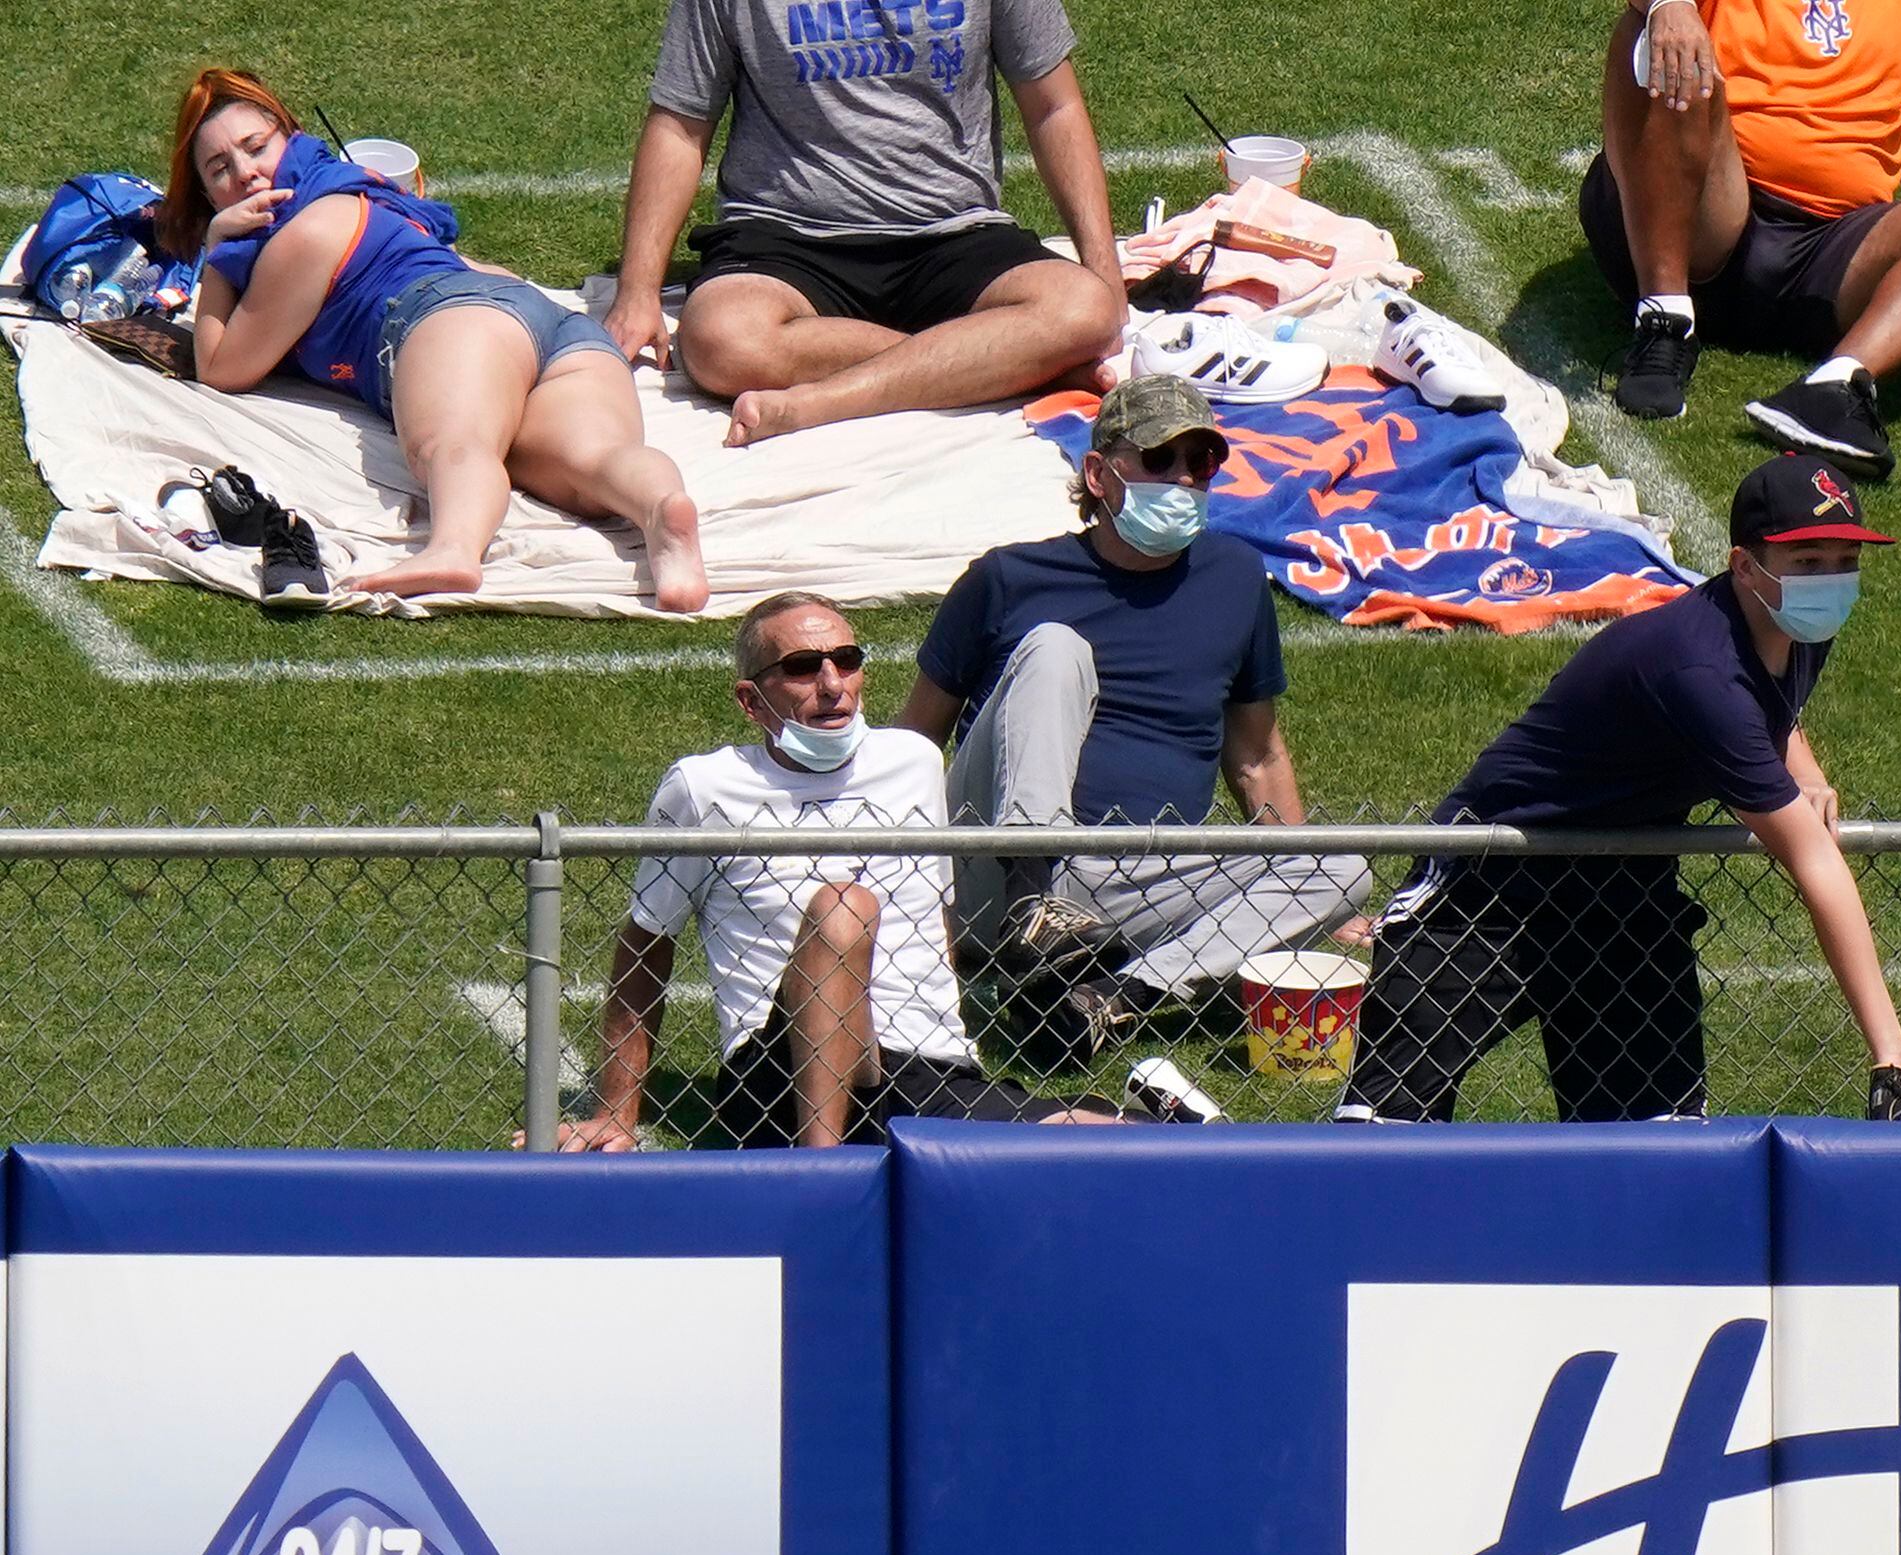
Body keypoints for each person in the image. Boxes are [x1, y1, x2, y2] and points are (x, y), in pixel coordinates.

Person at [1337, 453, 1901, 1121]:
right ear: (1744, 565)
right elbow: (1809, 857)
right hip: (1496, 880)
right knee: (1384, 1131)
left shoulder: (1794, 627)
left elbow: (1773, 708)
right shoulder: (1697, 668)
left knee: (1661, 1146)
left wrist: (1806, 772)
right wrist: (1891, 1048)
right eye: (1807, 563)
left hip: (1625, 884)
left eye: (1842, 561)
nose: (1830, 581)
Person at [897, 375, 1373, 1061]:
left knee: (1341, 866)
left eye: (1201, 462)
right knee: (1055, 647)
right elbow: (913, 744)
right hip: (992, 870)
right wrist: (903, 902)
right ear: (1098, 473)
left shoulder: (1235, 578)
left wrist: (1301, 885)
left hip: (1138, 880)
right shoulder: (1008, 578)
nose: (1182, 479)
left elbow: (1257, 758)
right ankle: (1034, 913)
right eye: (1159, 460)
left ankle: (1107, 1000)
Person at [559, 593, 1088, 1150]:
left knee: (1099, 1138)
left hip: (924, 1065)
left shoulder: (914, 762)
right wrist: (616, 1114)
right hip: (779, 1073)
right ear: (751, 701)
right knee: (843, 909)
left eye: (847, 660)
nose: (832, 684)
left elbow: (933, 921)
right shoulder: (704, 787)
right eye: (802, 668)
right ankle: (821, 1170)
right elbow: (646, 945)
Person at [166, 69, 705, 609]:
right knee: (593, 463)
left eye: (255, 147)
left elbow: (221, 366)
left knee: (451, 446)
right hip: (554, 327)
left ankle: (453, 549)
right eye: (220, 170)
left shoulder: (303, 235)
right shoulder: (371, 195)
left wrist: (218, 252)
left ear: (290, 137)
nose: (246, 174)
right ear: (207, 195)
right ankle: (662, 509)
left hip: (454, 321)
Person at [608, 0, 1123, 447]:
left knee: (1086, 307)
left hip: (953, 231)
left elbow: (1054, 107)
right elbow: (679, 124)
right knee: (719, 339)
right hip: (786, 237)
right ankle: (991, 362)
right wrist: (637, 293)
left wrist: (1106, 269)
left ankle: (820, 402)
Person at [1583, 0, 1901, 477]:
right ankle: (1663, 321)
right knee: (1660, 32)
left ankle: (1835, 388)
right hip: (1703, 218)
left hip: (1833, 253)